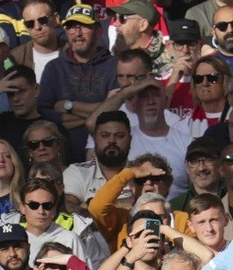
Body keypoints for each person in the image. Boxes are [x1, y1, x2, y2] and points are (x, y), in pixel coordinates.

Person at [37, 4, 118, 163]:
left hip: (106, 158)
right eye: (71, 28)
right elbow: (45, 113)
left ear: (99, 31)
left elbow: (115, 111)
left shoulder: (114, 65)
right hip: (62, 160)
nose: (78, 33)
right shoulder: (54, 68)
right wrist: (97, 115)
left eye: (84, 26)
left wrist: (69, 106)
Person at [127, 78, 193, 198]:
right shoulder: (124, 139)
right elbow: (93, 124)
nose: (151, 102)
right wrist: (124, 93)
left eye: (156, 95)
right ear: (133, 104)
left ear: (166, 101)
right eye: (144, 97)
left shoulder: (186, 142)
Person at [10, 0, 63, 81]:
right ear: (25, 27)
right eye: (30, 23)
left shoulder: (74, 53)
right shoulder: (14, 58)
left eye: (43, 20)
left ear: (56, 19)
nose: (37, 27)